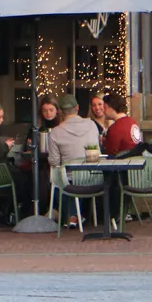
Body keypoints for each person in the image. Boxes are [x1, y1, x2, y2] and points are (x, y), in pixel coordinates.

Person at [48, 94, 103, 227]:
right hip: (95, 177)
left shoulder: (55, 132)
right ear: (77, 108)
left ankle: (71, 215)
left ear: (60, 111)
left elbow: (54, 162)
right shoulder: (92, 125)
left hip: (71, 180)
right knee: (74, 177)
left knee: (57, 177)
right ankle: (75, 216)